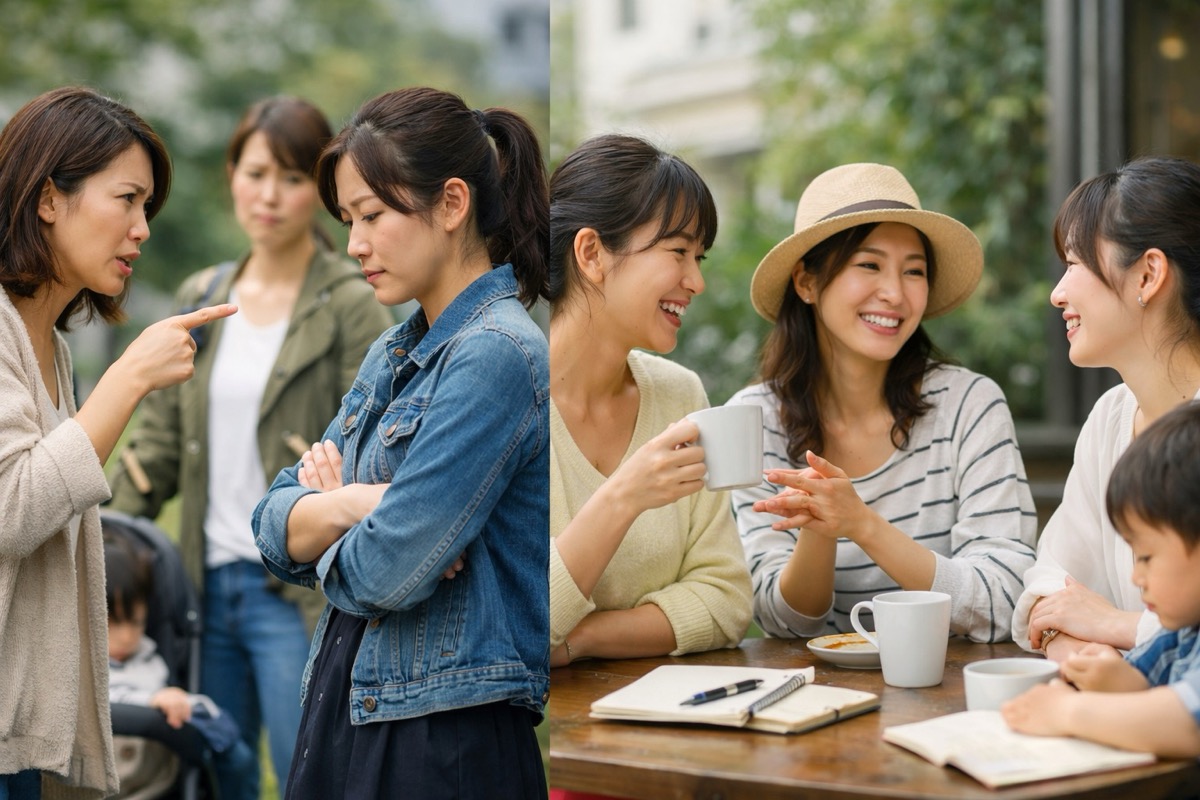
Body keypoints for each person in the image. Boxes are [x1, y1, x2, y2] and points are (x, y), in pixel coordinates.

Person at [252, 86, 549, 800]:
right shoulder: (394, 350)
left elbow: (387, 572)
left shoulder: (497, 354)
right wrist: (360, 502)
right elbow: (268, 524)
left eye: (373, 215)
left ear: (451, 205)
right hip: (352, 703)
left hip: (441, 741)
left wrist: (325, 513)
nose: (354, 243)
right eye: (349, 219)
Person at [106, 95, 393, 790]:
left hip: (295, 586)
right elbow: (159, 449)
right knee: (216, 769)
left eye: (293, 178)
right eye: (255, 171)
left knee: (309, 767)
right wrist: (95, 544)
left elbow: (375, 442)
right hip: (204, 588)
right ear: (232, 173)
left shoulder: (353, 302)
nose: (270, 195)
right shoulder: (202, 293)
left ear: (321, 193)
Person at [0, 86, 235, 800]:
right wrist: (128, 377)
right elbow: (12, 510)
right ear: (48, 199)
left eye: (147, 208)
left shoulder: (51, 346)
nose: (142, 228)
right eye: (127, 199)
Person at [729, 163, 1037, 641]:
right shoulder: (752, 420)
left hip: (950, 692)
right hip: (814, 696)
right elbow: (781, 620)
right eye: (869, 265)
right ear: (806, 282)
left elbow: (1003, 598)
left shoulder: (970, 406)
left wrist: (863, 525)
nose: (894, 293)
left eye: (913, 271)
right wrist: (820, 526)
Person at [546, 133, 752, 669]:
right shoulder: (502, 399)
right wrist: (624, 497)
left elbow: (726, 601)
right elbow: (509, 621)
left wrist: (580, 639)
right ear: (591, 253)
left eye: (699, 257)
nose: (697, 281)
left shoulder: (680, 395)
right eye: (679, 252)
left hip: (673, 727)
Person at [1012, 155, 1200, 659]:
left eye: (1074, 263)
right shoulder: (1112, 418)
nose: (1057, 294)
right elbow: (1050, 587)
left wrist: (1119, 626)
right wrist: (1079, 658)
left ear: (1147, 276)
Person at [1002, 401, 1200, 758]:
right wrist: (1117, 679)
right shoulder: (1182, 631)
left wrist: (1066, 712)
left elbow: (1185, 722)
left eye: (1147, 556)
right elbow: (1145, 678)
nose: (1136, 576)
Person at [104, 530, 257, 800]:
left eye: (137, 622)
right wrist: (152, 701)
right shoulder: (77, 667)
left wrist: (202, 713)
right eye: (114, 623)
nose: (128, 637)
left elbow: (179, 701)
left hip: (153, 780)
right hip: (98, 780)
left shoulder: (149, 658)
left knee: (237, 758)